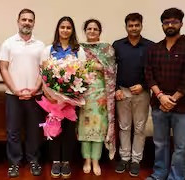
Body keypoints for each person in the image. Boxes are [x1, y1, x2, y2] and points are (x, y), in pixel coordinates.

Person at [145, 8, 185, 180]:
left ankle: (176, 177)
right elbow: (149, 74)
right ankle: (159, 173)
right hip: (159, 105)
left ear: (181, 24)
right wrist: (161, 96)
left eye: (174, 22)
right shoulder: (154, 49)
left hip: (183, 107)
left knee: (181, 146)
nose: (170, 25)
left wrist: (173, 98)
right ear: (162, 25)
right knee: (160, 144)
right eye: (166, 22)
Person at [0, 8, 45, 178]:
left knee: (35, 130)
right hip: (13, 95)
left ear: (34, 23)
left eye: (30, 20)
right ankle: (14, 163)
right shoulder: (8, 43)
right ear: (18, 21)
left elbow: (44, 70)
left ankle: (33, 160)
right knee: (13, 131)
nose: (27, 22)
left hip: (35, 95)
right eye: (23, 19)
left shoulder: (40, 45)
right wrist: (14, 89)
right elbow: (3, 68)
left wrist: (35, 89)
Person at [41, 16, 86, 179]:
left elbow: (83, 75)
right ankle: (55, 161)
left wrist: (72, 96)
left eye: (68, 27)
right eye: (62, 27)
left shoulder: (78, 50)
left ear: (72, 30)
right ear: (58, 29)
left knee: (68, 132)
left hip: (71, 101)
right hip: (52, 100)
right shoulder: (48, 49)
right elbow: (44, 74)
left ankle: (66, 161)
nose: (65, 30)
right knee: (54, 130)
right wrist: (49, 95)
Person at [113, 13, 154, 177]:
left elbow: (154, 71)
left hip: (142, 93)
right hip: (122, 92)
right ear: (126, 27)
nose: (134, 28)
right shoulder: (118, 45)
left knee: (139, 128)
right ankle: (124, 158)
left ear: (141, 26)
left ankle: (136, 160)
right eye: (130, 25)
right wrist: (116, 88)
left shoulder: (151, 46)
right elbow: (111, 71)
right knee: (124, 127)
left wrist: (144, 86)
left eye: (137, 25)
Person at [78, 19, 116, 176]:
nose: (92, 31)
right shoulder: (79, 48)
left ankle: (96, 160)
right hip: (83, 95)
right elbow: (74, 67)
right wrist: (94, 66)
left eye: (95, 29)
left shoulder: (107, 49)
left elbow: (111, 69)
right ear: (85, 31)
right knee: (84, 129)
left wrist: (91, 65)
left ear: (100, 32)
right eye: (89, 29)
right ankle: (86, 160)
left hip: (101, 97)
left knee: (99, 130)